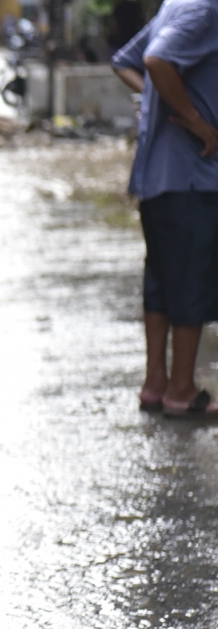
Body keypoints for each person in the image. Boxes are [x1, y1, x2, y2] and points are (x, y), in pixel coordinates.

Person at [112, 1, 218, 418]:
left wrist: (162, 99)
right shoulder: (206, 11)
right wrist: (195, 120)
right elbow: (155, 60)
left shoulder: (177, 3)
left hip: (156, 176)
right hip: (191, 174)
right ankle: (182, 390)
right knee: (191, 278)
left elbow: (125, 61)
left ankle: (155, 383)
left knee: (160, 280)